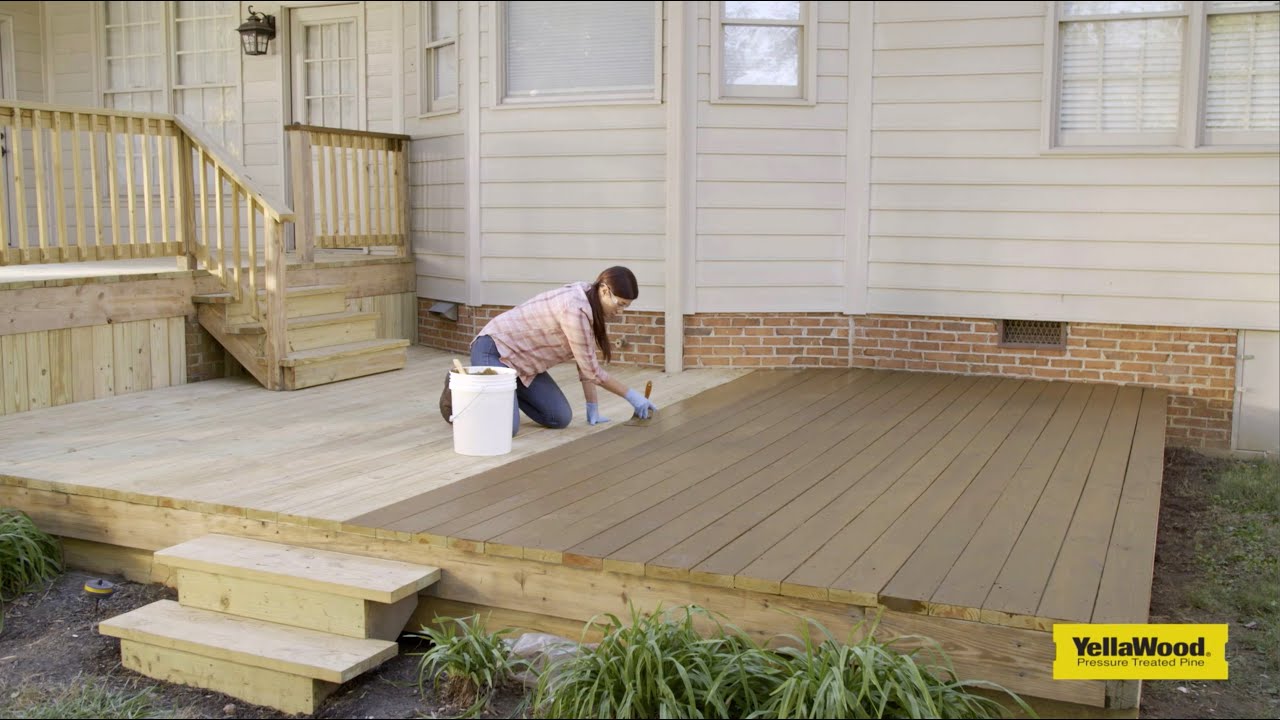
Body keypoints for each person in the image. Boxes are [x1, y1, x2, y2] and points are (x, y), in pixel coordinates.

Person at [439, 266, 658, 436]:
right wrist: (632, 396)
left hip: (524, 365)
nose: (620, 311)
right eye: (620, 304)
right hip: (495, 350)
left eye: (626, 306)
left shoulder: (591, 303)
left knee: (559, 417)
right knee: (507, 429)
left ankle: (503, 396)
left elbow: (585, 362)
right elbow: (593, 371)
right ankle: (460, 385)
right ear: (604, 290)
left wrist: (593, 407)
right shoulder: (575, 308)